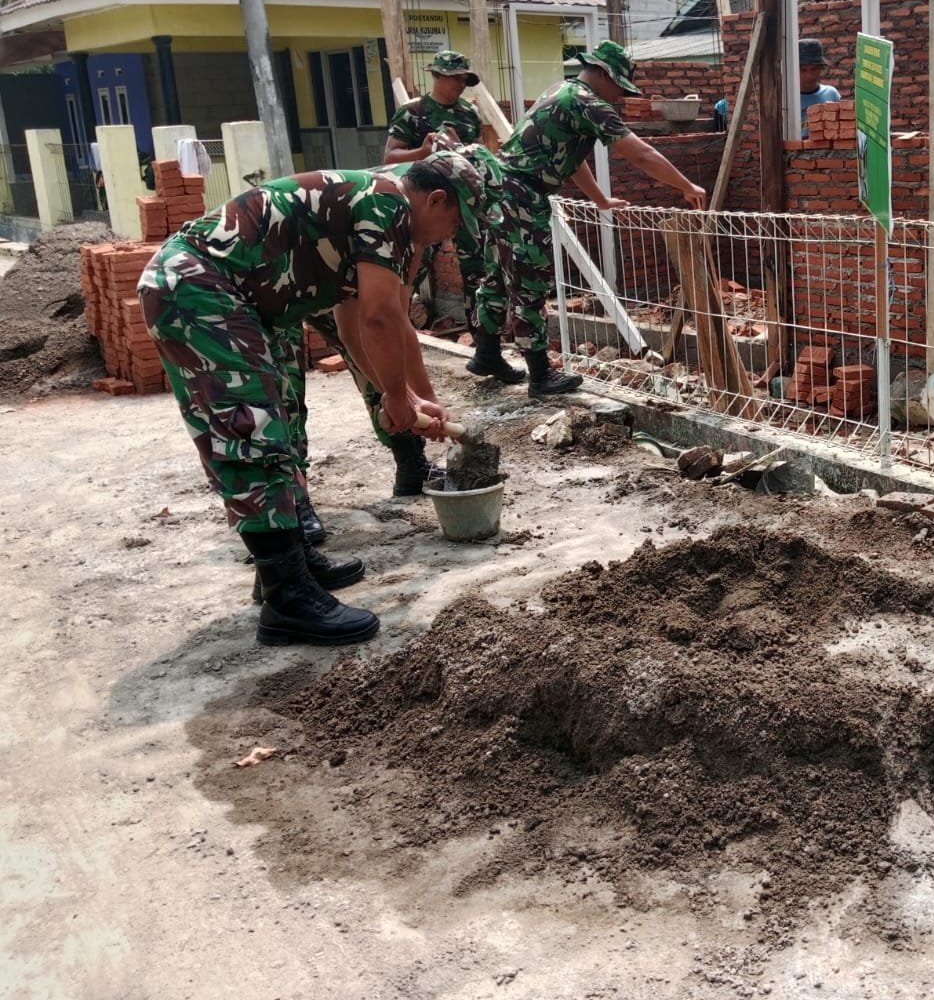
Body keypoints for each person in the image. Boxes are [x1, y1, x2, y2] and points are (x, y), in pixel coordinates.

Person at [137, 151, 486, 647]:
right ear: (434, 199)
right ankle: (287, 599)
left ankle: (288, 565)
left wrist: (403, 395)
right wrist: (396, 399)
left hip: (234, 297)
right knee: (251, 429)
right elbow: (381, 318)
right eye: (454, 222)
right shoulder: (389, 208)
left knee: (277, 417)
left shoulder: (373, 208)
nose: (449, 236)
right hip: (199, 287)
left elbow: (352, 322)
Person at [490, 40, 706, 395]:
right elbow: (640, 154)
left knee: (499, 276)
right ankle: (541, 376)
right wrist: (686, 186)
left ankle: (486, 354)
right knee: (529, 282)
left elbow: (571, 159)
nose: (620, 97)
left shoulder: (561, 91)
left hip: (502, 188)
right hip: (521, 194)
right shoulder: (587, 103)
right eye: (619, 87)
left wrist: (600, 199)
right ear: (603, 74)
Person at [384, 50, 525, 387]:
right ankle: (392, 344)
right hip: (424, 207)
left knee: (480, 275)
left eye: (465, 79)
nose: (461, 84)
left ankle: (487, 352)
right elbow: (390, 156)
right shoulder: (414, 112)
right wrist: (424, 151)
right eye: (455, 78)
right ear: (437, 76)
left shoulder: (468, 112)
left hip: (461, 205)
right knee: (408, 272)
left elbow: (475, 156)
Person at [797, 38, 841, 137]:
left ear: (821, 68)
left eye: (814, 69)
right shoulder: (787, 101)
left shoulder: (831, 95)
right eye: (803, 70)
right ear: (795, 69)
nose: (809, 76)